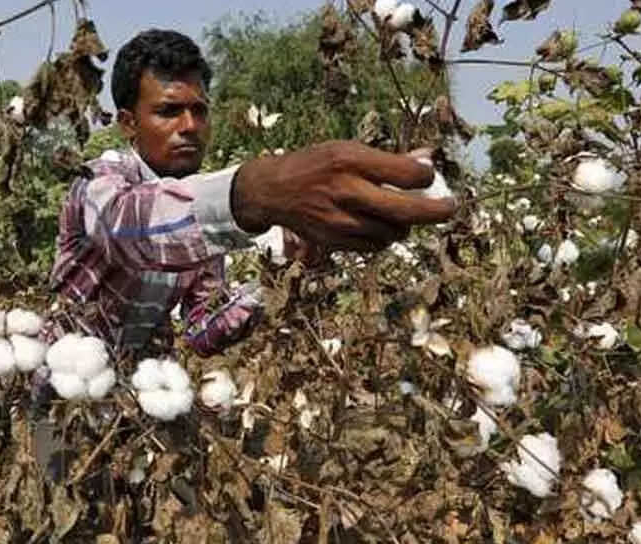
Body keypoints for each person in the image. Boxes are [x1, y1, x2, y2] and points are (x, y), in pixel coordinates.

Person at [41, 28, 457, 360]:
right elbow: (130, 230)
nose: (190, 125)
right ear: (129, 124)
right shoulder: (98, 182)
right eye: (168, 111)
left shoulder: (202, 223)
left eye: (199, 110)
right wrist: (260, 191)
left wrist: (280, 276)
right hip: (58, 395)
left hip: (135, 409)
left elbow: (203, 331)